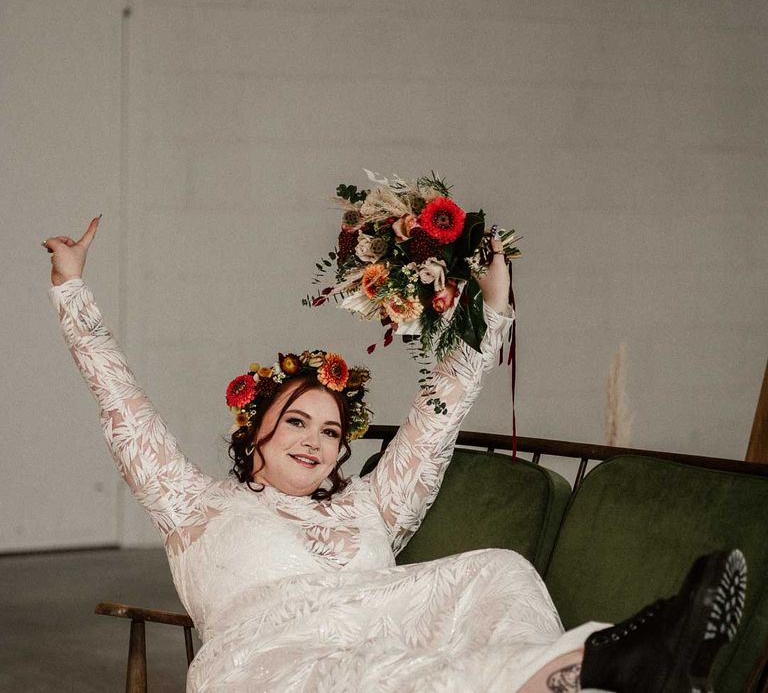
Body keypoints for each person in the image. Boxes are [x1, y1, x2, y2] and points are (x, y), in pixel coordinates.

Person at [43, 217, 747, 692]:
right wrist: (72, 290)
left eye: (329, 431)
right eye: (296, 421)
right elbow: (121, 402)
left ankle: (580, 671)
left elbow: (435, 421)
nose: (315, 441)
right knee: (361, 676)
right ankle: (600, 663)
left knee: (496, 570)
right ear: (254, 430)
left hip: (395, 635)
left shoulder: (369, 506)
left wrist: (493, 311)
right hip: (276, 662)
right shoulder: (193, 503)